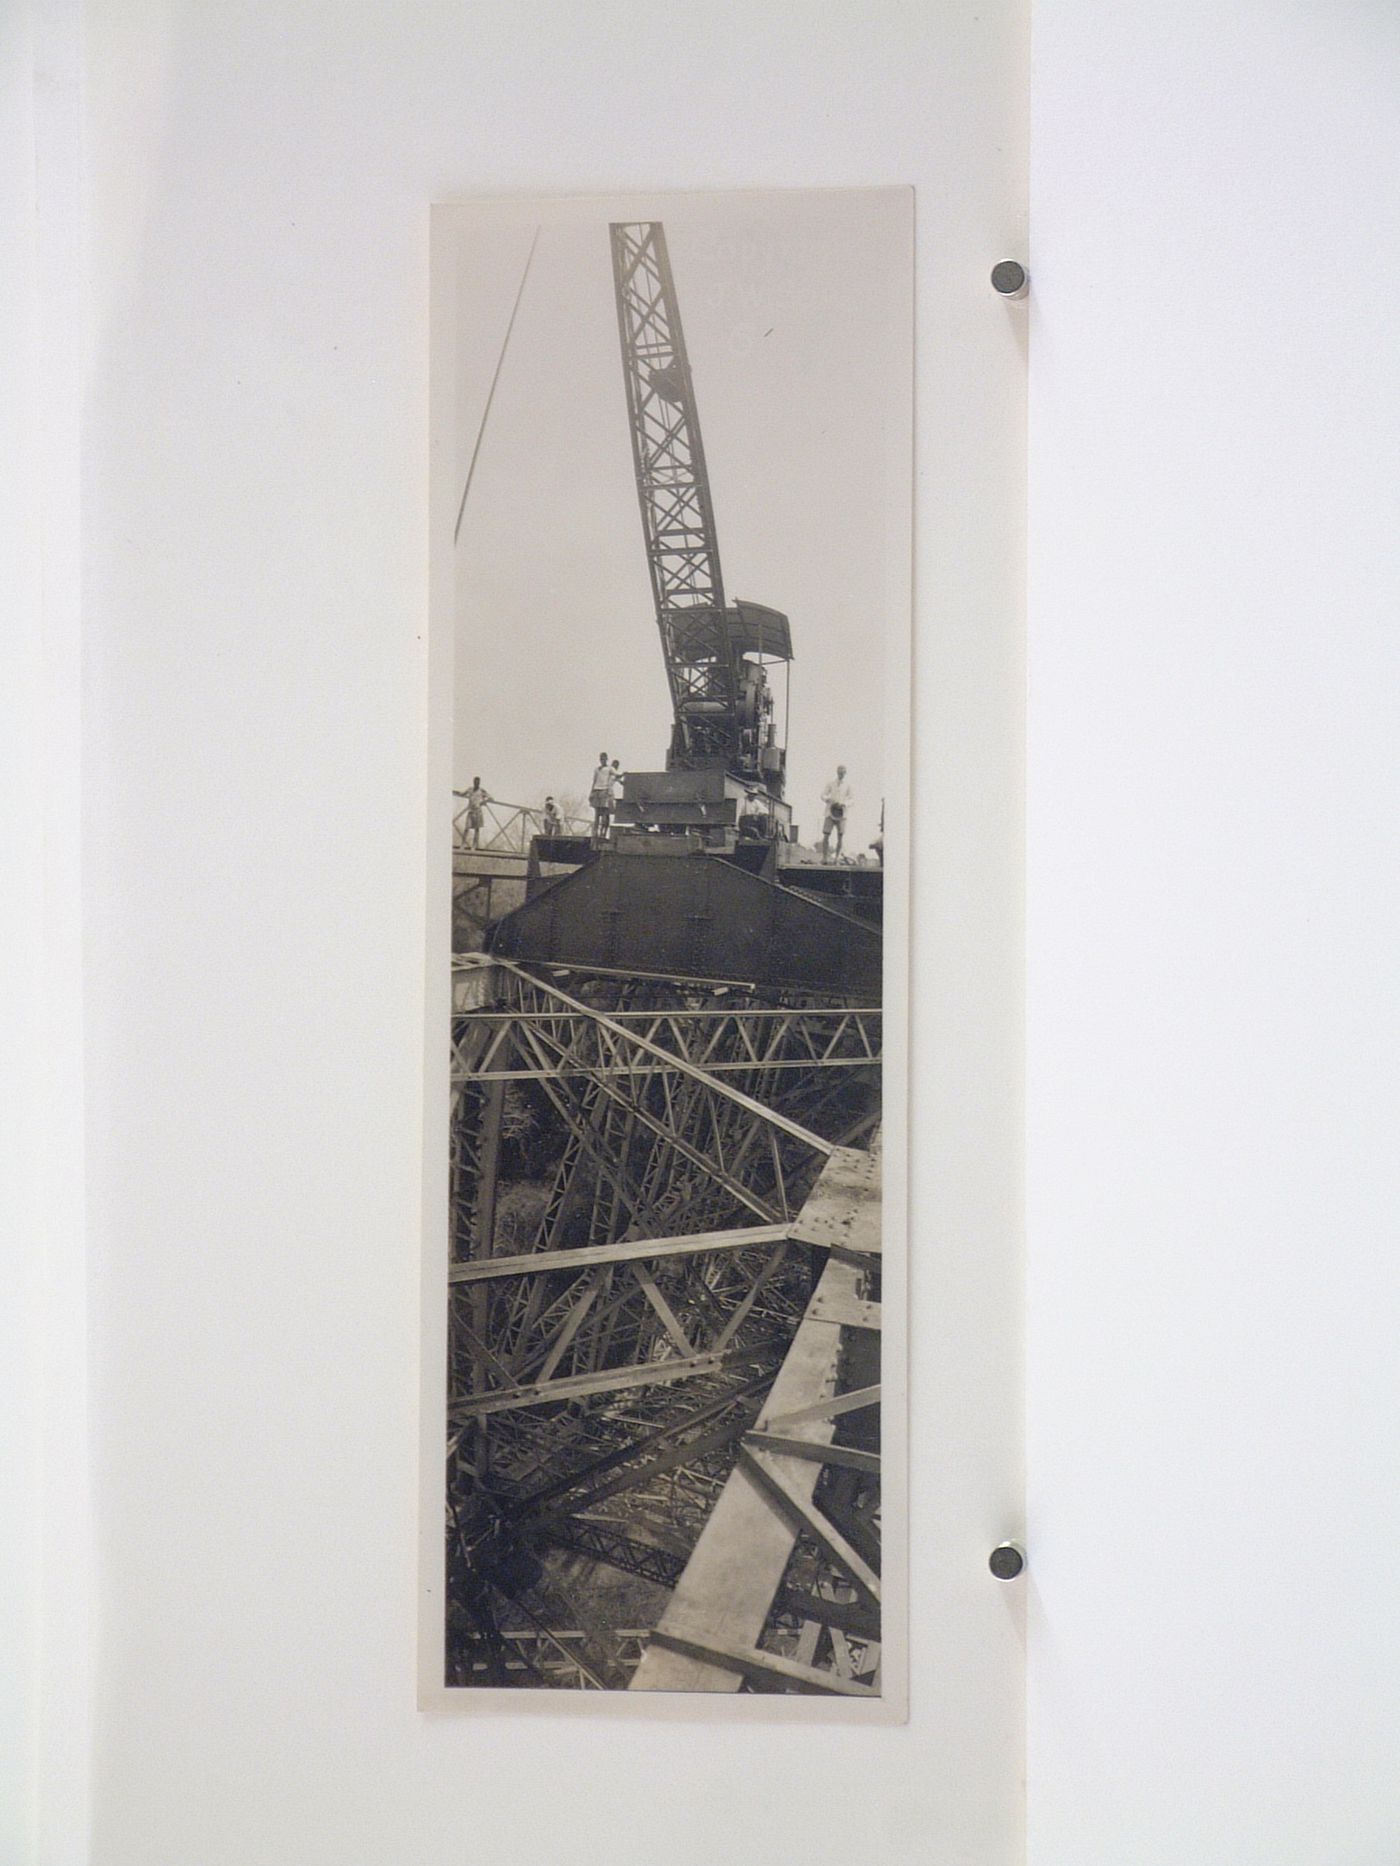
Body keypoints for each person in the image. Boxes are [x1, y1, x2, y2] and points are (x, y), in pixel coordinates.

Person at [820, 765, 853, 862]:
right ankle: (824, 857)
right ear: (837, 772)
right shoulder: (831, 783)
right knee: (826, 835)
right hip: (830, 812)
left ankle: (837, 857)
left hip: (842, 813)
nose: (841, 774)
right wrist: (828, 799)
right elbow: (823, 795)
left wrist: (844, 804)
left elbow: (852, 799)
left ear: (845, 773)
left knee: (840, 835)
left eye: (843, 773)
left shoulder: (848, 785)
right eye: (839, 772)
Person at [462, 775, 492, 850]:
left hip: (478, 811)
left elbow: (491, 798)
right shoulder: (470, 789)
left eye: (477, 783)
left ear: (479, 783)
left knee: (476, 829)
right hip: (471, 811)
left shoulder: (482, 791)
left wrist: (483, 802)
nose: (476, 784)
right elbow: (462, 793)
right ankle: (463, 844)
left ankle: (474, 845)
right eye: (475, 782)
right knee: (466, 828)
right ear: (473, 782)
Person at [589, 753, 612, 843]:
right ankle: (595, 833)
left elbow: (616, 775)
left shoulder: (609, 768)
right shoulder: (597, 769)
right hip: (596, 790)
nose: (602, 760)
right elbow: (594, 781)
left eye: (604, 759)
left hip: (604, 790)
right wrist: (591, 792)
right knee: (597, 813)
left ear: (606, 759)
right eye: (601, 759)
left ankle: (603, 832)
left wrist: (623, 774)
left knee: (604, 813)